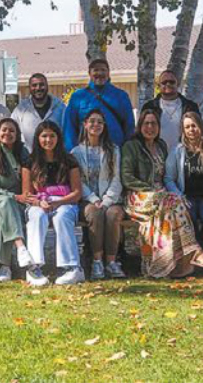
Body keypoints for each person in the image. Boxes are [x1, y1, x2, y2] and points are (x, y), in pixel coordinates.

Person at [123, 107, 203, 278]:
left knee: (172, 207)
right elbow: (127, 178)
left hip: (163, 196)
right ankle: (195, 252)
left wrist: (164, 193)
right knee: (174, 201)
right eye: (146, 123)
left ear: (158, 127)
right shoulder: (131, 146)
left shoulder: (161, 146)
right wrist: (154, 191)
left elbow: (166, 176)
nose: (150, 127)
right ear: (140, 126)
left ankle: (175, 264)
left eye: (153, 124)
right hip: (139, 196)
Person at [21, 121, 84, 286]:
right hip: (39, 203)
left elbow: (77, 192)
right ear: (38, 138)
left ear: (58, 138)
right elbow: (27, 194)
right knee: (36, 217)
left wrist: (58, 202)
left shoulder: (69, 160)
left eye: (52, 136)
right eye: (44, 136)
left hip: (64, 202)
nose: (48, 140)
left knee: (62, 217)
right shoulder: (29, 161)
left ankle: (71, 267)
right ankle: (34, 267)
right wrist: (39, 202)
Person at [72, 111, 124, 280]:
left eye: (100, 122)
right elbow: (78, 181)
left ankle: (111, 262)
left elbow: (117, 178)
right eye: (92, 121)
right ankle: (97, 262)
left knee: (113, 214)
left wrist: (107, 201)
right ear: (85, 124)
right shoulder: (76, 152)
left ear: (104, 126)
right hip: (87, 200)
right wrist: (94, 199)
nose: (96, 125)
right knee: (94, 213)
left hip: (111, 199)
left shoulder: (113, 150)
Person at [0, 118, 33, 281]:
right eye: (4, 130)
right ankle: (21, 247)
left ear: (17, 134)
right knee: (6, 203)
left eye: (12, 130)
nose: (7, 133)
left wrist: (22, 198)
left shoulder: (23, 154)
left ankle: (4, 266)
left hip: (20, 204)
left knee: (7, 215)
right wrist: (13, 196)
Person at [166, 111, 203, 256]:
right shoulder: (177, 151)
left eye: (194, 126)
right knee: (189, 217)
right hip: (186, 196)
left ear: (201, 126)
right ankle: (194, 253)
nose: (191, 130)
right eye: (187, 127)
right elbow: (168, 178)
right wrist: (178, 195)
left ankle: (201, 251)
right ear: (183, 130)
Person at [63, 59, 135, 151]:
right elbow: (69, 128)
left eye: (103, 70)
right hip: (85, 153)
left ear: (108, 73)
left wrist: (127, 152)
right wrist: (72, 154)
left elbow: (129, 127)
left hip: (115, 152)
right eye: (96, 70)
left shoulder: (121, 96)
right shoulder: (78, 97)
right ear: (89, 73)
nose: (100, 73)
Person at [142, 69, 199, 154]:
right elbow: (142, 133)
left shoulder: (190, 106)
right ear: (159, 85)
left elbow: (198, 131)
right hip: (156, 154)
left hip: (184, 155)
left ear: (178, 84)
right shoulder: (149, 107)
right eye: (164, 82)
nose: (168, 84)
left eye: (171, 82)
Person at [11, 73, 66, 145]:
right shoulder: (20, 109)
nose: (38, 88)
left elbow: (68, 133)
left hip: (56, 152)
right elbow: (12, 131)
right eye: (34, 85)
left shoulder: (60, 107)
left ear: (47, 86)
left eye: (41, 85)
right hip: (29, 152)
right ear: (29, 88)